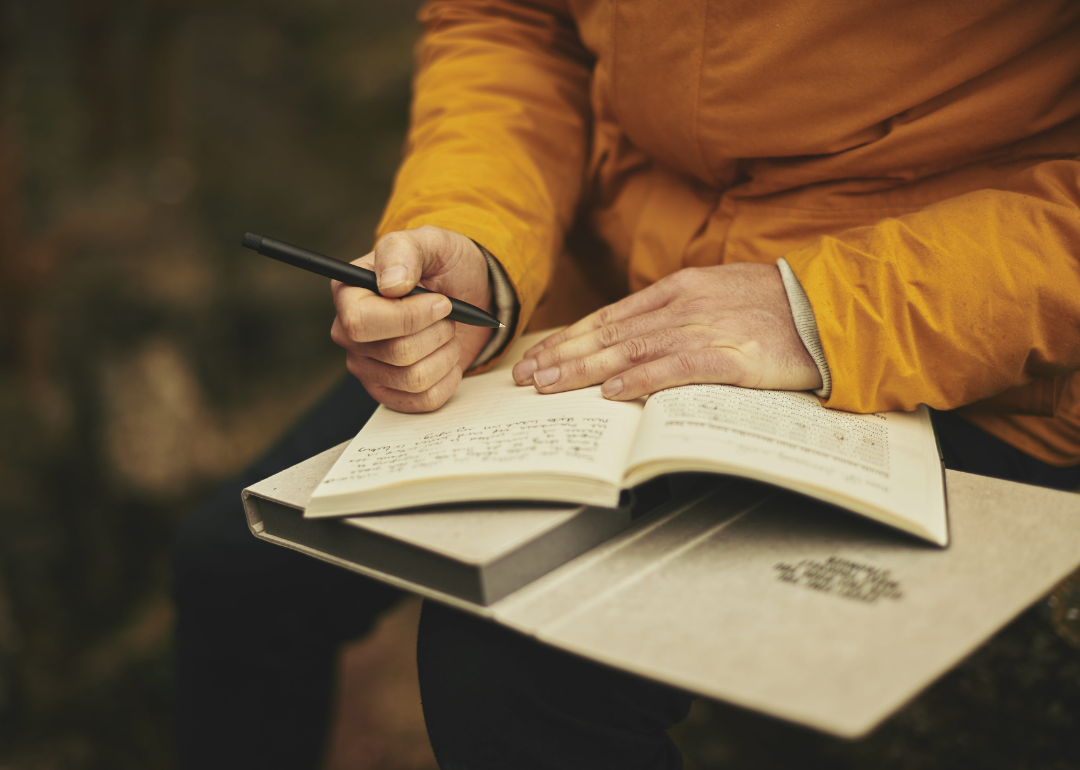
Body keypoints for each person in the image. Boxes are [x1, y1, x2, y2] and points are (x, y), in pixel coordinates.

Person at [173, 0, 1080, 767]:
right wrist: (479, 236)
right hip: (608, 301)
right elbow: (512, 20)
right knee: (239, 567)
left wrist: (827, 310)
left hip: (966, 355)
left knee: (511, 666)